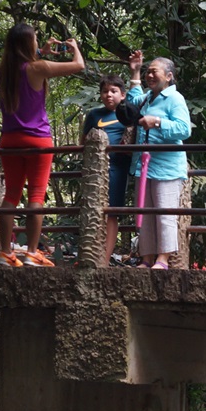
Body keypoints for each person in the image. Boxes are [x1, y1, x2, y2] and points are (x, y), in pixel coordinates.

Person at [0, 24, 85, 261]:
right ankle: (32, 253)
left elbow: (25, 67)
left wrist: (41, 53)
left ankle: (5, 252)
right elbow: (79, 66)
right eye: (35, 40)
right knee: (36, 195)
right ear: (27, 43)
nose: (37, 43)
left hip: (9, 139)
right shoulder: (38, 68)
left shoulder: (4, 71)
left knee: (11, 195)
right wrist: (74, 47)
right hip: (37, 139)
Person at [133, 57, 192, 269]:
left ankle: (163, 259)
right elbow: (130, 104)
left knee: (165, 213)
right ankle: (146, 257)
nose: (149, 75)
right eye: (147, 71)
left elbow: (184, 129)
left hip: (167, 166)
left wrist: (157, 122)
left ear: (168, 76)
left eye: (154, 71)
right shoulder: (146, 98)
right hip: (145, 165)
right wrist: (134, 72)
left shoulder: (175, 98)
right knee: (146, 213)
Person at [85, 60, 145, 263]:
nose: (108, 95)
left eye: (113, 91)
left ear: (122, 94)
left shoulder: (127, 112)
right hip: (95, 169)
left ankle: (105, 256)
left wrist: (135, 71)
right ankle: (89, 252)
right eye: (105, 91)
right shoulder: (93, 115)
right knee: (92, 210)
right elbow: (83, 142)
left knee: (112, 212)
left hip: (118, 169)